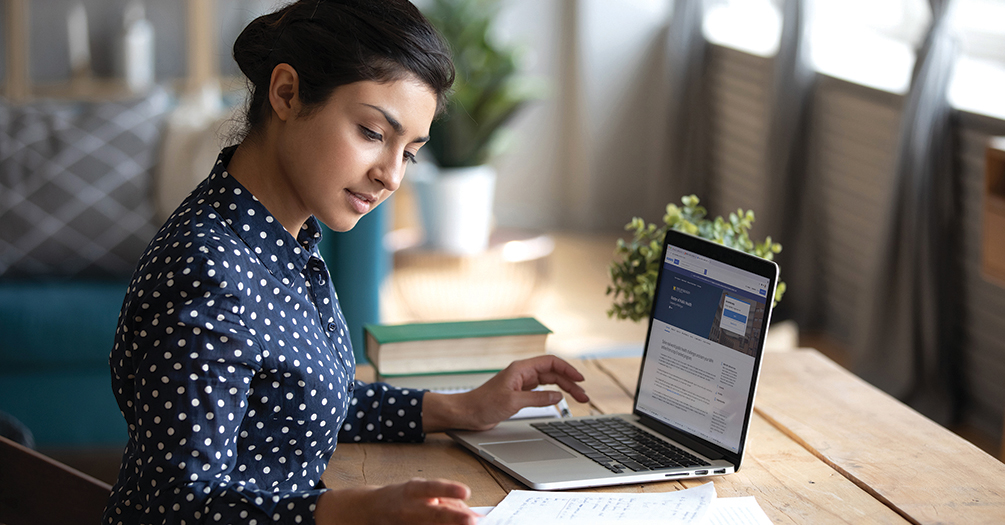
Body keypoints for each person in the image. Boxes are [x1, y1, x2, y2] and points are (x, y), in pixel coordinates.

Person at [102, 1, 590, 524]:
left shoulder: (283, 240)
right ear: (286, 93)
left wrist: (461, 408)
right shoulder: (208, 271)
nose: (392, 176)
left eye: (409, 152)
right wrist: (353, 509)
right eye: (374, 133)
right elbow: (178, 507)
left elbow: (299, 403)